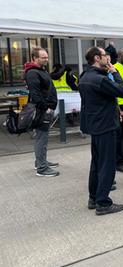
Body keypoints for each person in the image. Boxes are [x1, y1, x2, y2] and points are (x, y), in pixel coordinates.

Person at [79, 46, 123, 215]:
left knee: (97, 163)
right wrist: (115, 72)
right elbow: (122, 91)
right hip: (105, 125)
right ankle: (103, 203)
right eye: (105, 55)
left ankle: (93, 197)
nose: (108, 58)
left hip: (94, 125)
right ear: (97, 59)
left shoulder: (85, 76)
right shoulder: (101, 79)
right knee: (107, 165)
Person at [24, 47, 59, 177]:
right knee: (41, 138)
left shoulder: (40, 70)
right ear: (35, 58)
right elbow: (35, 94)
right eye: (43, 57)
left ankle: (41, 161)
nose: (46, 59)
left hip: (45, 109)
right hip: (41, 110)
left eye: (46, 56)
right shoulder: (33, 73)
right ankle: (42, 168)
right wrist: (46, 107)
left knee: (43, 137)